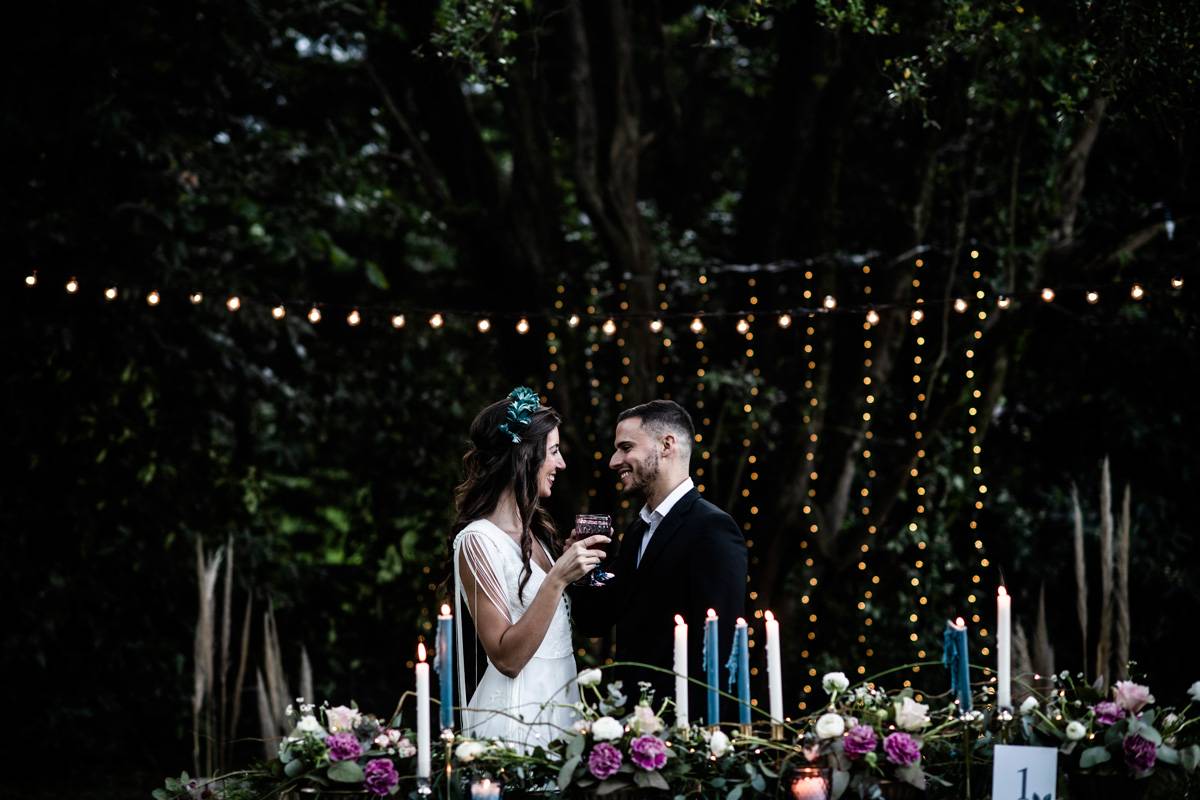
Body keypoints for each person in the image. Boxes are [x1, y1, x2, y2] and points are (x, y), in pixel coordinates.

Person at [450, 387, 609, 750]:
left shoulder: (535, 535)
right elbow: (506, 657)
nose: (561, 464)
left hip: (560, 706)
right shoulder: (477, 541)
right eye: (553, 452)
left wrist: (571, 569)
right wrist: (556, 579)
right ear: (525, 455)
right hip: (516, 717)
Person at [569, 400, 747, 723]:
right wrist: (581, 569)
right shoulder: (637, 531)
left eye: (625, 448)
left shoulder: (713, 529)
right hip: (631, 724)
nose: (613, 461)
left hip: (682, 730)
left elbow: (717, 652)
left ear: (667, 445)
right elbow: (595, 620)